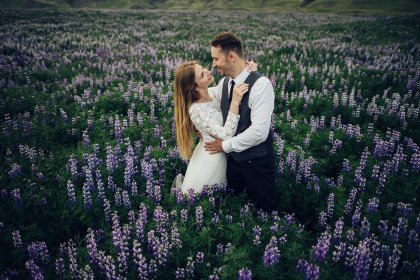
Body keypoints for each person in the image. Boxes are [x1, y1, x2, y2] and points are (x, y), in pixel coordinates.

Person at [204, 32, 277, 212]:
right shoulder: (224, 83)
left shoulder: (261, 85)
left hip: (257, 166)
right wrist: (201, 126)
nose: (213, 64)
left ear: (231, 56)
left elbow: (259, 132)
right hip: (231, 165)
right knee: (233, 214)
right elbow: (201, 99)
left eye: (215, 58)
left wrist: (225, 145)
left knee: (264, 215)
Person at [173, 61, 255, 194]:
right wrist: (235, 102)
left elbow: (229, 84)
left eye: (204, 68)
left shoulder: (211, 94)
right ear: (194, 87)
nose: (208, 72)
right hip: (211, 158)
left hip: (221, 154)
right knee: (204, 199)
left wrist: (248, 70)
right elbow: (226, 135)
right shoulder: (196, 109)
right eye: (202, 75)